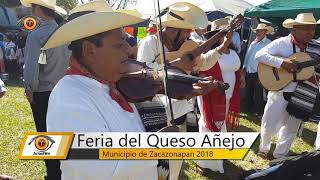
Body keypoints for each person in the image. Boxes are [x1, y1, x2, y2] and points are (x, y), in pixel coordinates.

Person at [43, 7, 220, 179]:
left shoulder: (113, 81)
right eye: (120, 44)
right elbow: (97, 166)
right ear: (90, 50)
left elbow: (134, 120)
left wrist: (186, 91)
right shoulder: (69, 97)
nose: (129, 50)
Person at [137, 2, 233, 179]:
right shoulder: (149, 43)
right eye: (186, 31)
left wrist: (222, 46)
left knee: (175, 159)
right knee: (155, 162)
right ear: (173, 30)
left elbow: (204, 62)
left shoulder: (190, 44)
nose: (190, 34)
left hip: (182, 107)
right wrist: (176, 65)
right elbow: (143, 75)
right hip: (156, 110)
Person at [256, 13, 319, 159]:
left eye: (313, 29)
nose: (310, 32)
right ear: (295, 29)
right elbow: (259, 55)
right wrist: (283, 63)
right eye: (306, 29)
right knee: (269, 123)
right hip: (280, 91)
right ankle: (264, 149)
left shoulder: (317, 48)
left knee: (291, 128)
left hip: (304, 94)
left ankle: (280, 155)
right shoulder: (282, 43)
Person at [20, 0, 68, 179]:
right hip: (64, 90)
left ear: (38, 10)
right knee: (64, 133)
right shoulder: (65, 33)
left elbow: (32, 67)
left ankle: (53, 174)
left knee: (46, 135)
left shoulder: (37, 35)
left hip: (44, 92)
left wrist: (29, 89)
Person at [196, 26, 245, 174]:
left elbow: (236, 69)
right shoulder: (207, 53)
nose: (227, 36)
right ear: (215, 36)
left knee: (220, 124)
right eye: (223, 34)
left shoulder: (234, 52)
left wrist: (241, 77)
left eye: (229, 34)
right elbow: (201, 72)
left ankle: (217, 155)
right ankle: (204, 162)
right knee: (207, 125)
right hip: (211, 95)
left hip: (228, 95)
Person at [242, 23, 273, 116]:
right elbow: (248, 55)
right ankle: (248, 108)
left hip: (259, 72)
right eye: (257, 31)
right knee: (249, 91)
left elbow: (270, 58)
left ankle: (258, 111)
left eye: (260, 31)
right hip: (249, 71)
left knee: (258, 93)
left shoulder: (269, 43)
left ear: (265, 32)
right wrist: (244, 67)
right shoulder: (253, 42)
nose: (258, 32)